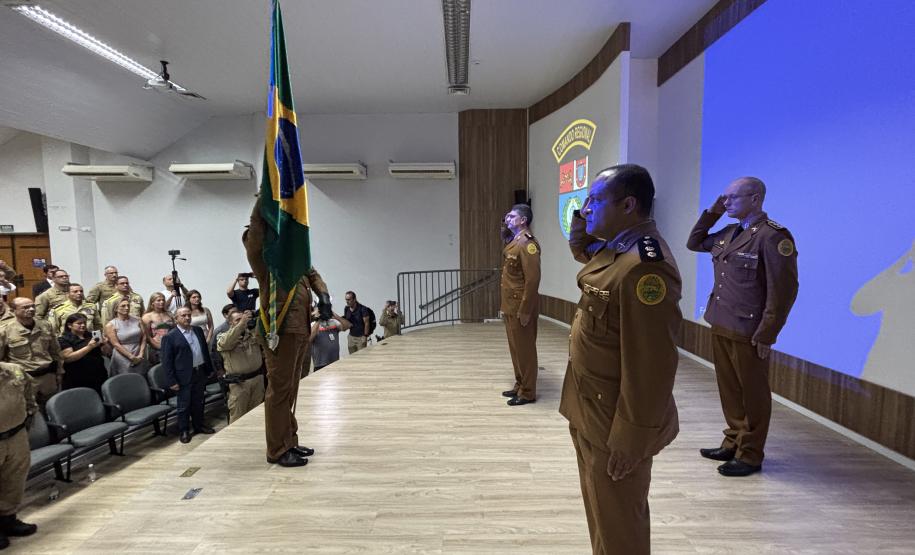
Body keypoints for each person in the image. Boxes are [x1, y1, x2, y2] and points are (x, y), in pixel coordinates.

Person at [560, 165, 682, 555]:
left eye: (595, 200)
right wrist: (582, 214)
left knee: (620, 528)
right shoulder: (616, 248)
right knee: (602, 517)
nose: (587, 207)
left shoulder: (646, 266)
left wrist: (632, 440)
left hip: (615, 423)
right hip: (589, 409)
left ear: (629, 205)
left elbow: (653, 365)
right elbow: (582, 250)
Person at [686, 176, 799, 477]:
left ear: (756, 199)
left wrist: (767, 333)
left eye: (732, 198)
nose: (727, 203)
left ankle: (750, 454)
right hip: (722, 322)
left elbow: (783, 290)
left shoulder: (773, 237)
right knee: (730, 389)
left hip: (750, 330)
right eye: (724, 198)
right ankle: (733, 441)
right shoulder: (728, 233)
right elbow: (694, 242)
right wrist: (713, 212)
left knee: (752, 393)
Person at [244, 196, 329, 467]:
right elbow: (255, 232)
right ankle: (277, 450)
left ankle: (289, 439)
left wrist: (324, 296)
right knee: (279, 391)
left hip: (300, 328)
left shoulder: (295, 257)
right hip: (279, 331)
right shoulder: (264, 258)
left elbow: (313, 273)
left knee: (291, 389)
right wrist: (265, 201)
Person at [499, 204, 541, 406]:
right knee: (515, 349)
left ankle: (528, 392)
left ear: (523, 220)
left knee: (525, 350)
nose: (507, 218)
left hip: (521, 308)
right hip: (510, 306)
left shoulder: (527, 245)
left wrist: (525, 310)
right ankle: (520, 384)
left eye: (512, 216)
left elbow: (532, 280)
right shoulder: (514, 241)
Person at [161, 307, 216, 444]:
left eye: (188, 315)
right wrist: (171, 381)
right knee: (184, 405)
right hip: (183, 376)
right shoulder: (170, 337)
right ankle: (184, 430)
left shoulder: (197, 330)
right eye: (183, 316)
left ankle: (199, 425)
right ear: (176, 319)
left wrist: (208, 369)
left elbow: (204, 351)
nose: (187, 318)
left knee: (198, 401)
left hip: (199, 372)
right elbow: (167, 362)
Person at [0, 361, 39, 549]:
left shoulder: (14, 370)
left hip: (16, 434)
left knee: (14, 478)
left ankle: (8, 519)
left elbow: (29, 395)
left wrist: (30, 413)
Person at [0, 297, 63, 411]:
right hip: (24, 378)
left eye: (32, 306)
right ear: (14, 310)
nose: (31, 309)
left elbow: (55, 351)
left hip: (48, 376)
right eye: (25, 307)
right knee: (29, 412)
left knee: (54, 408)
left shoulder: (45, 325)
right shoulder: (5, 330)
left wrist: (59, 372)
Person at [217, 310, 265, 423]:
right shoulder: (223, 337)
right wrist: (242, 324)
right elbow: (226, 343)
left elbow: (264, 341)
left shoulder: (252, 334)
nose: (242, 321)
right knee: (238, 418)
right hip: (239, 384)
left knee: (256, 416)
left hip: (257, 380)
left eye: (243, 319)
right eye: (237, 320)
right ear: (230, 323)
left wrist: (255, 323)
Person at [58, 313, 108, 394]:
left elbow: (104, 353)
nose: (83, 325)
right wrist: (89, 347)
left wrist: (105, 344)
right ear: (70, 325)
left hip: (98, 374)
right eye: (79, 323)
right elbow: (68, 358)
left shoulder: (91, 335)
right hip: (78, 377)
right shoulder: (64, 339)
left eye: (84, 323)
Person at [104, 298, 149, 377]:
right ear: (116, 309)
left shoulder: (138, 320)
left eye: (128, 305)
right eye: (123, 306)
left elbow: (144, 337)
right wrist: (131, 357)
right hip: (122, 355)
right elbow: (115, 344)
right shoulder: (111, 325)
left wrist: (141, 354)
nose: (127, 308)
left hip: (139, 352)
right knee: (126, 379)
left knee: (142, 377)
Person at [310, 304, 350, 372]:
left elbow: (347, 326)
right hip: (320, 364)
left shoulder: (333, 322)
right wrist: (319, 320)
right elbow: (310, 338)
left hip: (334, 362)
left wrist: (335, 316)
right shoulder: (313, 324)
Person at [142, 292, 175, 366]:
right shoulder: (147, 317)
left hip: (171, 346)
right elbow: (147, 336)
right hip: (156, 347)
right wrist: (157, 346)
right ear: (152, 302)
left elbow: (175, 331)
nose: (162, 302)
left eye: (163, 300)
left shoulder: (169, 314)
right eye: (158, 300)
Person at [209, 304, 240, 376]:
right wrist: (219, 369)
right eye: (232, 312)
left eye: (237, 311)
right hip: (226, 367)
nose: (236, 313)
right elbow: (214, 352)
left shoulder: (244, 327)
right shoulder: (220, 331)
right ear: (225, 315)